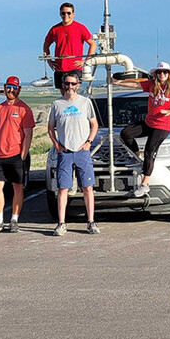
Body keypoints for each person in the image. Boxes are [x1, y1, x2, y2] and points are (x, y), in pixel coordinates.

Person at [112, 62, 170, 198]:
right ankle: (138, 155)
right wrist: (117, 82)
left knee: (150, 150)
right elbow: (136, 84)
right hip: (149, 122)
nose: (162, 75)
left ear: (169, 74)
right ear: (156, 74)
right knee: (125, 133)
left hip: (162, 126)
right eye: (159, 72)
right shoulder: (152, 85)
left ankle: (144, 184)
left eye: (165, 72)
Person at [47, 72, 100, 236]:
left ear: (78, 85)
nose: (70, 87)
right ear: (63, 85)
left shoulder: (85, 102)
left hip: (82, 152)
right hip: (65, 152)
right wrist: (56, 144)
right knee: (63, 188)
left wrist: (89, 142)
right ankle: (61, 223)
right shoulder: (57, 104)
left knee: (87, 187)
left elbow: (94, 124)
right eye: (67, 84)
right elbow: (50, 127)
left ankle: (91, 221)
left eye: (73, 84)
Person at [0, 76, 35, 234]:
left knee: (17, 187)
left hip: (16, 155)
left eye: (14, 87)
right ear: (4, 88)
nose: (10, 90)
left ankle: (14, 220)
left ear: (19, 89)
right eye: (8, 87)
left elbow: (28, 135)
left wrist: (23, 155)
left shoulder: (24, 109)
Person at [43, 2, 97, 89]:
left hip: (75, 67)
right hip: (60, 67)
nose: (66, 15)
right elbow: (46, 44)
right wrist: (49, 60)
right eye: (63, 13)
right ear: (60, 13)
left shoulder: (80, 28)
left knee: (73, 92)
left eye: (68, 13)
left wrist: (86, 60)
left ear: (73, 14)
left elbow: (93, 44)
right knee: (63, 93)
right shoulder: (55, 29)